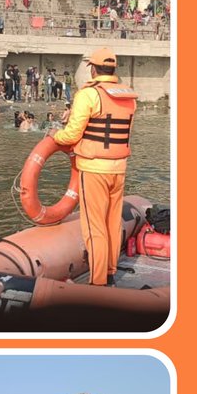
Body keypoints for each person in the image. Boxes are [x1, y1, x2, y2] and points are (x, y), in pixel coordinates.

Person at [51, 49, 137, 287]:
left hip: (94, 168)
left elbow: (72, 134)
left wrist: (55, 135)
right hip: (119, 168)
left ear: (93, 69)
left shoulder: (88, 94)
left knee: (94, 225)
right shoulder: (128, 96)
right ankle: (109, 271)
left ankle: (99, 282)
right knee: (112, 223)